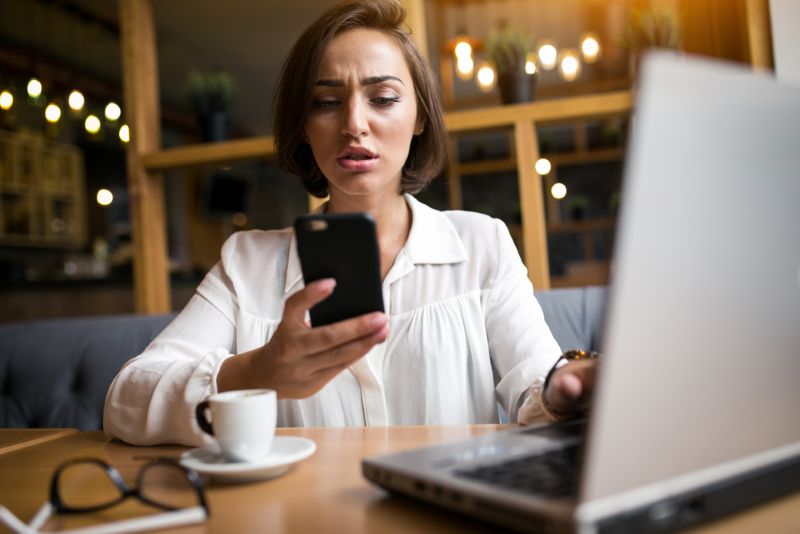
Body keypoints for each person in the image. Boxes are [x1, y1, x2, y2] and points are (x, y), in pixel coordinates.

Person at [104, 0, 598, 446]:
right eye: (326, 102)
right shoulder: (248, 263)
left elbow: (537, 388)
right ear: (302, 124)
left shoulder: (482, 244)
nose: (354, 124)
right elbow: (126, 402)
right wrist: (258, 370)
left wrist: (565, 391)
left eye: (382, 98)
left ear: (421, 116)